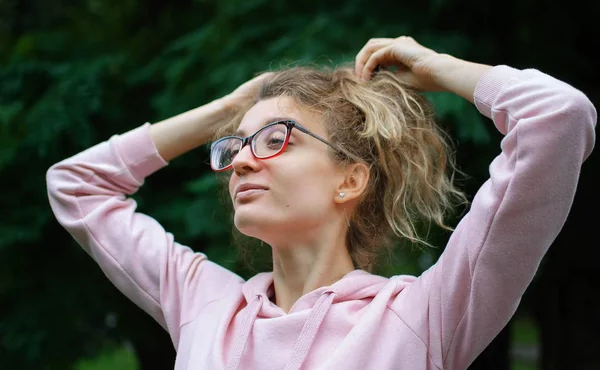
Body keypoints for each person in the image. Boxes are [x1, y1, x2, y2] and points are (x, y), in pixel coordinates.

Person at [46, 36, 596, 370]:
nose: (240, 160)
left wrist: (438, 68)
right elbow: (75, 185)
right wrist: (226, 110)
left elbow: (558, 116)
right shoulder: (205, 306)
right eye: (235, 145)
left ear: (350, 180)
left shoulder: (421, 317)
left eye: (274, 139)